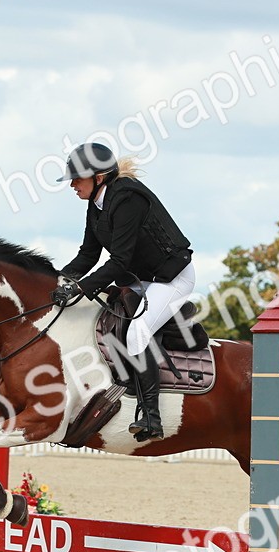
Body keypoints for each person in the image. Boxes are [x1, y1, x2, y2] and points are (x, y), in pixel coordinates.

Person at [53, 143, 195, 442]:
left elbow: (119, 262)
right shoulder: (96, 204)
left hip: (171, 279)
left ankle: (151, 417)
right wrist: (57, 280)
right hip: (138, 279)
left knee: (137, 334)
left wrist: (80, 288)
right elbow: (88, 255)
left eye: (77, 178)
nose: (72, 185)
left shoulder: (127, 198)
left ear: (99, 178)